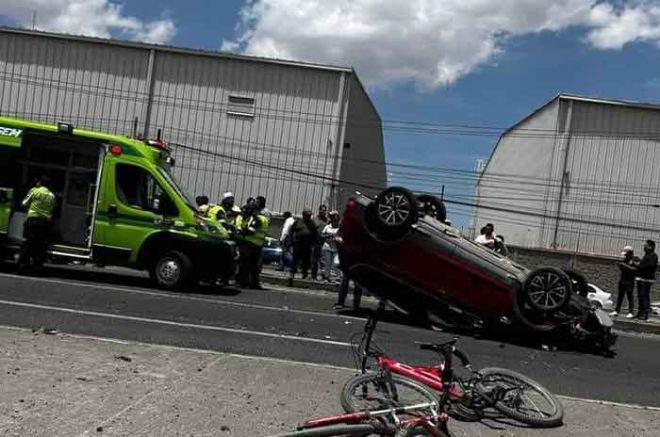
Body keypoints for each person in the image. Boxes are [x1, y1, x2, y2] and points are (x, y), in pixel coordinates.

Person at [18, 175, 56, 271]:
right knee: (40, 244)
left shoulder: (34, 190)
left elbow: (24, 203)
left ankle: (23, 264)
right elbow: (51, 210)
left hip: (33, 220)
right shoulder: (52, 196)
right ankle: (37, 265)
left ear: (40, 183)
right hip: (44, 223)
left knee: (29, 242)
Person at [235, 202, 269, 289]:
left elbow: (251, 230)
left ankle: (243, 282)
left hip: (249, 243)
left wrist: (242, 231)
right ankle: (254, 283)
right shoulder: (264, 218)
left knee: (244, 264)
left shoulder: (256, 219)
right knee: (254, 266)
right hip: (258, 244)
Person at [288, 209, 318, 285]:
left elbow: (315, 234)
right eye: (307, 215)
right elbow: (291, 231)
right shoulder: (298, 222)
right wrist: (291, 241)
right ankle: (291, 275)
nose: (309, 217)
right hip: (298, 244)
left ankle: (304, 275)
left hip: (307, 245)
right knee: (295, 260)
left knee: (306, 261)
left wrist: (313, 244)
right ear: (303, 215)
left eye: (310, 216)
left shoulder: (312, 223)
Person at [610, 246, 638, 318]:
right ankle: (616, 310)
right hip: (622, 280)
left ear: (630, 253)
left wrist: (624, 265)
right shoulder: (624, 260)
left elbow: (635, 270)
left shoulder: (634, 260)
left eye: (626, 254)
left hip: (629, 281)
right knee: (620, 296)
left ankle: (631, 312)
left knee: (629, 297)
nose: (625, 255)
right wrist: (620, 266)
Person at [635, 240, 657, 321]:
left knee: (644, 296)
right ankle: (639, 313)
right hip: (642, 278)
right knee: (640, 297)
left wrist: (640, 265)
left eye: (646, 245)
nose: (644, 247)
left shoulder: (653, 256)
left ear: (650, 247)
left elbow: (650, 265)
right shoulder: (647, 255)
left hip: (647, 279)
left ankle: (645, 314)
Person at [321, 211, 340, 282]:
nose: (332, 218)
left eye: (334, 216)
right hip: (327, 246)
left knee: (336, 263)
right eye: (331, 216)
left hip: (336, 247)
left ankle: (338, 277)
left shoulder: (340, 227)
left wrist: (337, 238)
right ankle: (327, 277)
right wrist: (329, 235)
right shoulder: (327, 226)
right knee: (328, 263)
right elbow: (322, 235)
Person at [311, 204, 328, 280]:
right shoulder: (315, 220)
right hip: (316, 242)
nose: (324, 212)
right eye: (322, 210)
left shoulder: (327, 221)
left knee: (323, 261)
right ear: (319, 210)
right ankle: (313, 275)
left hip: (324, 243)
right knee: (314, 260)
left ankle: (324, 276)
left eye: (325, 210)